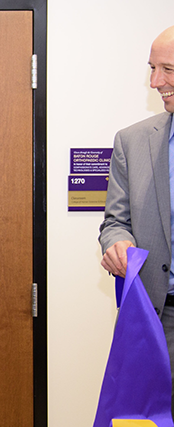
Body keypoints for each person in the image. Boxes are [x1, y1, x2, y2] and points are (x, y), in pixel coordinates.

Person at [99, 25, 174, 406]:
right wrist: (118, 243)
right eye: (152, 68)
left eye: (168, 70)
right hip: (159, 322)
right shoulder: (132, 141)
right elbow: (114, 222)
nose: (155, 81)